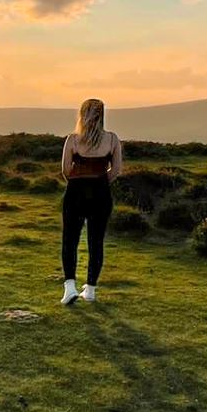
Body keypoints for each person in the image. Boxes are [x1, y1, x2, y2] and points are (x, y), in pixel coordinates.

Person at [59, 97, 123, 305]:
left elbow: (66, 170)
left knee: (70, 240)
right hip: (101, 193)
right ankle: (91, 289)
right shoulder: (112, 139)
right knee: (96, 242)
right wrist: (100, 181)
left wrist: (79, 180)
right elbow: (116, 171)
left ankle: (70, 287)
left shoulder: (73, 140)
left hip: (75, 192)